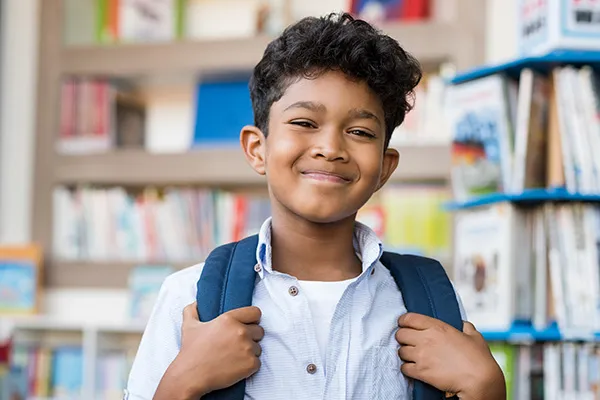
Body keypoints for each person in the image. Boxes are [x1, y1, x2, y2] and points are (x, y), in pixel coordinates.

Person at [125, 12, 506, 400]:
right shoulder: (188, 298)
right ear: (257, 149)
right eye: (305, 123)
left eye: (359, 132)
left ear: (385, 168)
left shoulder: (428, 302)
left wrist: (487, 389)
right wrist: (182, 382)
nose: (330, 148)